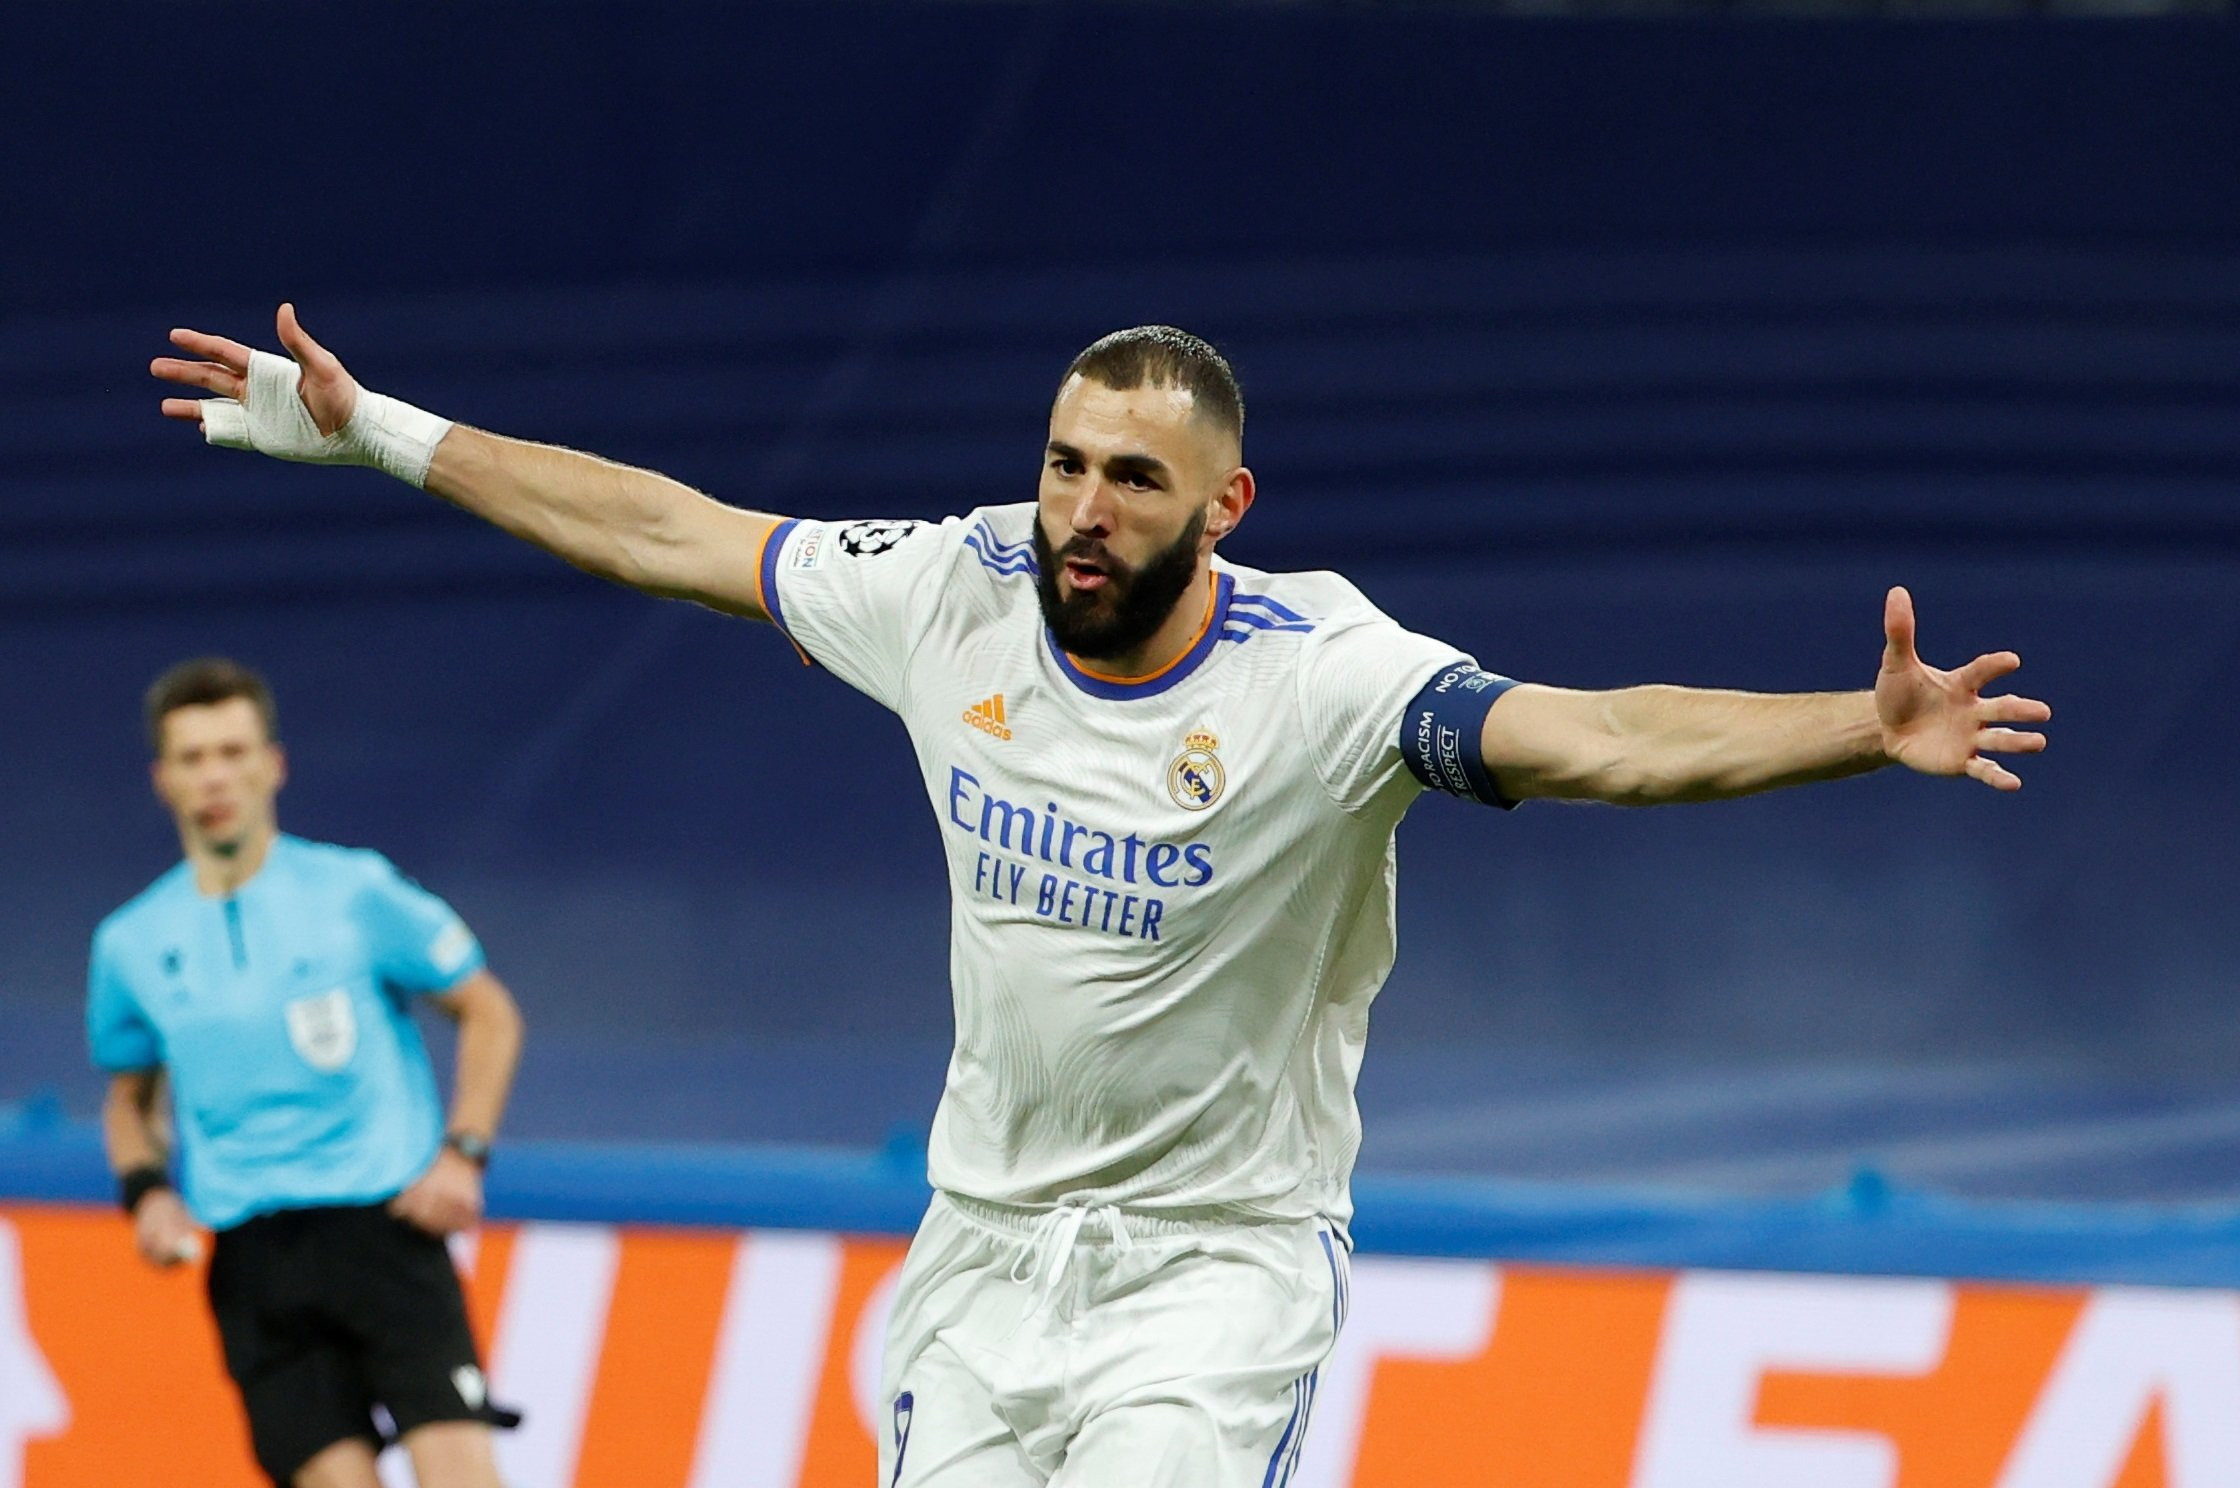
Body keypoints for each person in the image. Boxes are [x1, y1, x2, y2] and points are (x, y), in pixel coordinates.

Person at [150, 308, 2048, 1487]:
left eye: (1134, 479)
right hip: (984, 1255)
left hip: (1213, 1270)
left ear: (1222, 505)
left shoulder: (1330, 680)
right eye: (1063, 462)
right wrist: (382, 431)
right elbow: (668, 527)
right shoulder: (951, 591)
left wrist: (1850, 729)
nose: (1081, 505)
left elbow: (1608, 734)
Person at [90, 656, 527, 1488]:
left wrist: (464, 1151)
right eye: (192, 758)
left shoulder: (354, 891)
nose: (215, 776)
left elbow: (490, 1011)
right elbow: (129, 1097)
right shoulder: (131, 943)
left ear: (272, 765)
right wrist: (145, 1190)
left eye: (232, 751)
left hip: (385, 1233)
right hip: (256, 1262)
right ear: (163, 780)